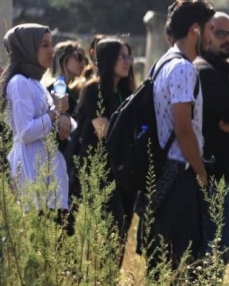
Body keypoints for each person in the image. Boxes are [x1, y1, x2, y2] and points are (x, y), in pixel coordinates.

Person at [135, 0, 215, 280]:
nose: (211, 37)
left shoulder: (162, 63)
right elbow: (183, 129)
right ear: (195, 29)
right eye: (210, 30)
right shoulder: (183, 68)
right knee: (182, 264)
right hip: (178, 175)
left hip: (160, 174)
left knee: (161, 263)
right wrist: (202, 174)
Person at [1, 24, 75, 233]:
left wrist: (64, 117)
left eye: (51, 44)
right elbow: (25, 132)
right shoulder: (19, 83)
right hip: (30, 172)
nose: (51, 50)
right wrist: (55, 114)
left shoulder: (36, 83)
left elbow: (54, 115)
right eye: (44, 45)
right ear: (27, 48)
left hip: (47, 172)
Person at [194, 11, 229, 266]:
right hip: (212, 174)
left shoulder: (218, 72)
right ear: (205, 34)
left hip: (222, 174)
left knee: (219, 249)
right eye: (220, 33)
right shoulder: (204, 71)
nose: (227, 39)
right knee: (216, 249)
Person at [76, 38, 136, 266]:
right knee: (112, 225)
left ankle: (110, 281)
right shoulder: (93, 89)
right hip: (99, 170)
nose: (127, 61)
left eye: (128, 56)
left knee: (124, 226)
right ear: (108, 58)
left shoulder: (125, 91)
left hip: (123, 171)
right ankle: (101, 282)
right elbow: (103, 130)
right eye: (121, 56)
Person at [48, 40, 86, 116]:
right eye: (79, 57)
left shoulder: (73, 90)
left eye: (85, 59)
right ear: (63, 59)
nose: (83, 63)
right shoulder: (57, 89)